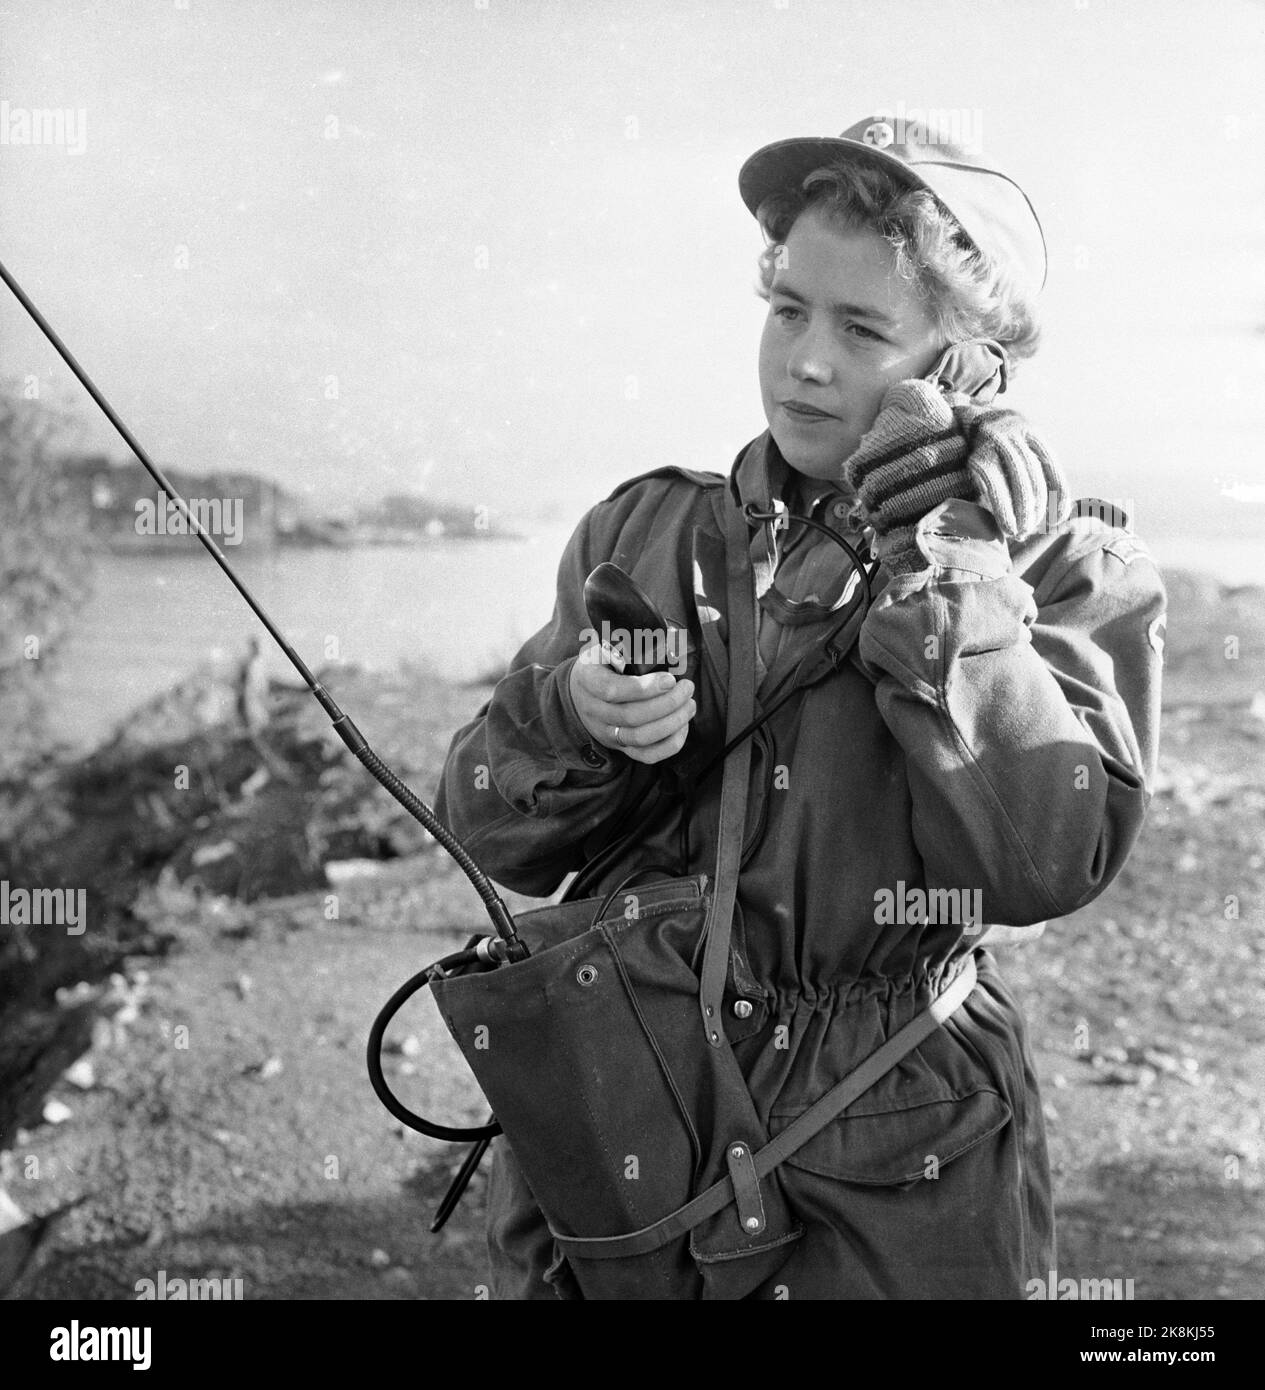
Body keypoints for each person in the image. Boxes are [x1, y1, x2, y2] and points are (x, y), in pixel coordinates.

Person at [433, 113, 1165, 1299]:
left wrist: (955, 575)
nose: (804, 362)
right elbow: (483, 826)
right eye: (786, 309)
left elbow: (1046, 859)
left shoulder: (1061, 571)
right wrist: (575, 711)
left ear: (964, 364)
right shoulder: (652, 531)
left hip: (893, 1159)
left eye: (863, 327)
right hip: (630, 1122)